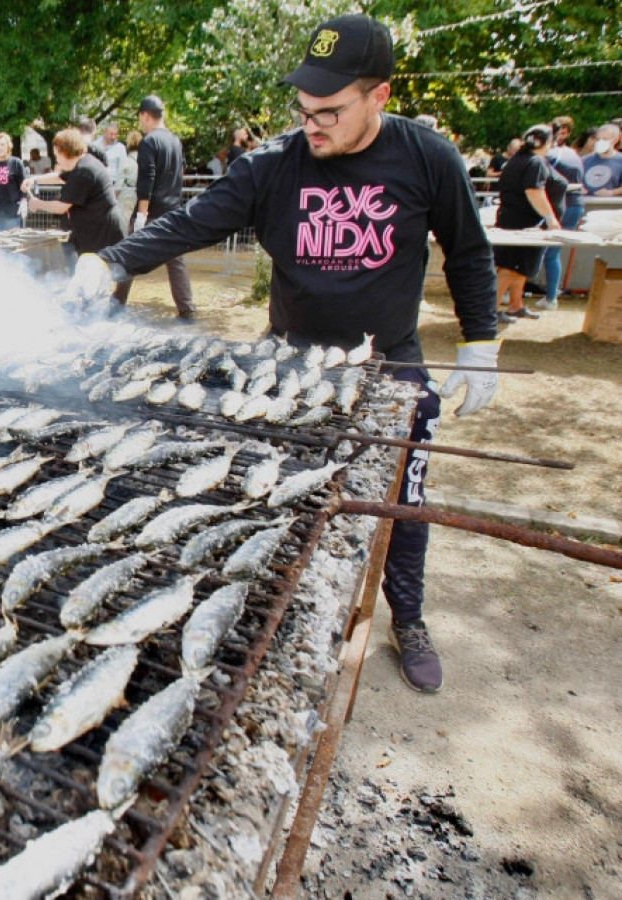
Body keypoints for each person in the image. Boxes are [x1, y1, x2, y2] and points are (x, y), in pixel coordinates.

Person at [71, 15, 499, 693]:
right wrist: (113, 260)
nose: (312, 124)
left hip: (390, 365)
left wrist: (481, 342)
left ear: (380, 96)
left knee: (403, 502)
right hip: (285, 366)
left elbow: (470, 253)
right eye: (303, 108)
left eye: (330, 111)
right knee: (272, 491)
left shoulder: (427, 157)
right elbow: (192, 221)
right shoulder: (274, 164)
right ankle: (276, 603)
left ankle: (408, 617)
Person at [21, 128, 128, 303]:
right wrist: (35, 179)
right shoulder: (83, 163)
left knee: (102, 286)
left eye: (57, 153)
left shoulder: (84, 170)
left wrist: (37, 203)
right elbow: (61, 177)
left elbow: (62, 207)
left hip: (104, 233)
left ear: (65, 151)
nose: (56, 158)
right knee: (94, 285)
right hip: (96, 231)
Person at [121, 94, 195, 319]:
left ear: (145, 116)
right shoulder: (175, 140)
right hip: (173, 209)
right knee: (176, 261)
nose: (140, 124)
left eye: (140, 119)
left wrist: (142, 214)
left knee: (128, 254)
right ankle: (187, 308)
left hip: (152, 211)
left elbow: (147, 178)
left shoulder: (150, 141)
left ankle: (115, 304)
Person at [492, 124, 562, 322]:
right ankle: (492, 309)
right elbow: (534, 191)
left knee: (520, 268)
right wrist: (550, 218)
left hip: (513, 219)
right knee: (509, 268)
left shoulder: (517, 160)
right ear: (547, 143)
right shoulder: (535, 162)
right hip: (523, 223)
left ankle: (516, 305)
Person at [538, 121, 585, 310]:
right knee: (553, 252)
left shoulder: (550, 156)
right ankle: (551, 297)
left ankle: (515, 293)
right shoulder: (573, 154)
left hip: (557, 206)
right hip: (573, 205)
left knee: (538, 250)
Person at [582, 123, 622, 197]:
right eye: (598, 139)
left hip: (611, 205)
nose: (600, 142)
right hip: (588, 204)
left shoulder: (620, 161)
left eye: (605, 139)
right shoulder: (585, 160)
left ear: (615, 140)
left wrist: (612, 192)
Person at [116, 130, 142, 225]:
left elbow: (119, 185)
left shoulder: (126, 161)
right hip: (141, 195)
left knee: (123, 223)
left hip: (127, 194)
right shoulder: (145, 160)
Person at [99, 122, 128, 192]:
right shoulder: (95, 144)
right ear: (105, 132)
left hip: (111, 185)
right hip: (96, 183)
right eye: (111, 134)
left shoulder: (120, 148)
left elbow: (122, 170)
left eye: (115, 134)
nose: (113, 137)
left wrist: (117, 190)